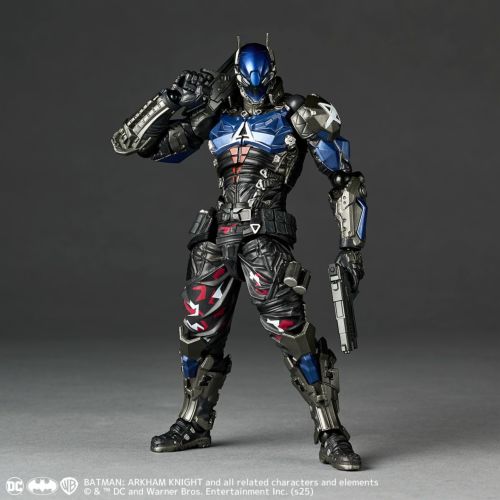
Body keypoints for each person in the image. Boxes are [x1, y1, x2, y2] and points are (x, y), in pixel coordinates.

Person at [111, 38, 367, 471]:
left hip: (265, 239)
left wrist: (351, 248)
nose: (253, 88)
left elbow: (345, 180)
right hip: (216, 237)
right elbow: (137, 145)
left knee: (292, 331)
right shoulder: (215, 115)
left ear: (272, 73)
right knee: (197, 330)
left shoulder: (298, 112)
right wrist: (172, 97)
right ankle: (193, 422)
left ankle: (331, 431)